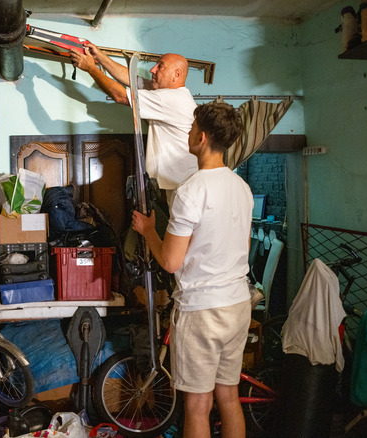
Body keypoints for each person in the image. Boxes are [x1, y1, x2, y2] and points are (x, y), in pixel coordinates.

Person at [131, 101, 253, 438]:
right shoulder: (242, 189)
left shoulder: (190, 191)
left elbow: (170, 261)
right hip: (237, 304)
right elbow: (241, 248)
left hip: (202, 311)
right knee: (228, 396)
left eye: (189, 129)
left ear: (200, 137)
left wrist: (149, 231)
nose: (186, 133)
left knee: (198, 405)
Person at [69, 44, 198, 206]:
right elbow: (133, 81)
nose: (152, 70)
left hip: (184, 184)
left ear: (176, 74)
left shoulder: (170, 99)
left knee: (185, 230)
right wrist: (100, 56)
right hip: (181, 181)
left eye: (160, 66)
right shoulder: (174, 94)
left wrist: (92, 69)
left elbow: (121, 96)